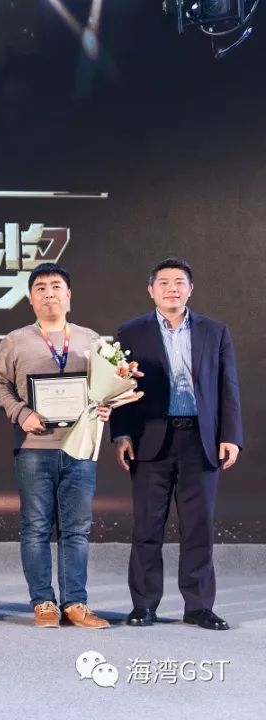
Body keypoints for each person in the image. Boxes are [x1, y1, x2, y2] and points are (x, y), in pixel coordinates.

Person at [111, 258, 242, 631]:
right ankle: (144, 605)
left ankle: (199, 607)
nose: (172, 288)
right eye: (164, 282)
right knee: (147, 528)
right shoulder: (130, 332)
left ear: (190, 289)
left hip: (200, 440)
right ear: (151, 290)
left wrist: (231, 436)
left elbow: (228, 387)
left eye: (179, 282)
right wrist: (121, 434)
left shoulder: (215, 331)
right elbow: (119, 388)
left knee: (198, 527)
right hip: (149, 441)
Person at [0, 262, 111, 629]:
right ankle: (43, 602)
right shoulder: (15, 340)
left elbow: (106, 386)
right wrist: (20, 412)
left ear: (68, 295)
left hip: (80, 448)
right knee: (36, 528)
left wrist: (106, 405)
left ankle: (75, 603)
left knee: (76, 530)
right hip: (34, 448)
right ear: (30, 298)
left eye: (56, 286)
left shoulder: (92, 340)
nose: (49, 294)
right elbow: (0, 385)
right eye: (40, 288)